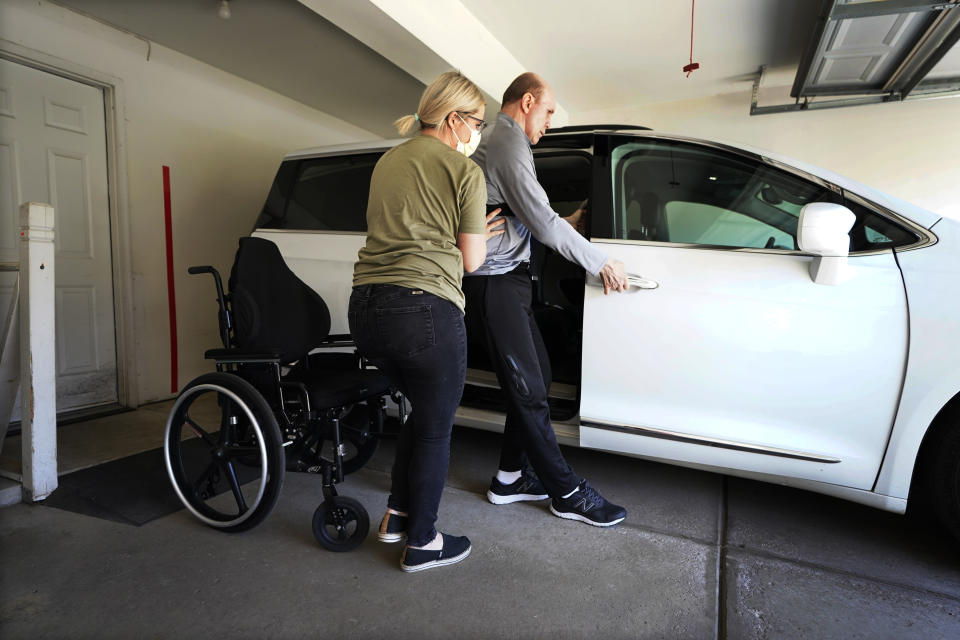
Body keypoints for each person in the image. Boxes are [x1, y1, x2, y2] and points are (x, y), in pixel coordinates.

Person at [347, 71, 504, 572]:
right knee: (436, 428)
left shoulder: (387, 160)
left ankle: (396, 516)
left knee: (419, 415)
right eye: (477, 122)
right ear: (454, 119)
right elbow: (473, 260)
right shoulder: (466, 172)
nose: (478, 131)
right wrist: (485, 230)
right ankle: (423, 542)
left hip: (366, 309)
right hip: (424, 309)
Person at [464, 72, 630, 527]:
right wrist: (599, 262)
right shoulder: (507, 142)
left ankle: (510, 478)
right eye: (549, 112)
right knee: (530, 390)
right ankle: (566, 491)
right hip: (494, 284)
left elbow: (531, 212)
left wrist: (569, 220)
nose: (550, 123)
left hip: (509, 282)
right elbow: (541, 222)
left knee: (539, 376)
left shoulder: (507, 143)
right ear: (528, 100)